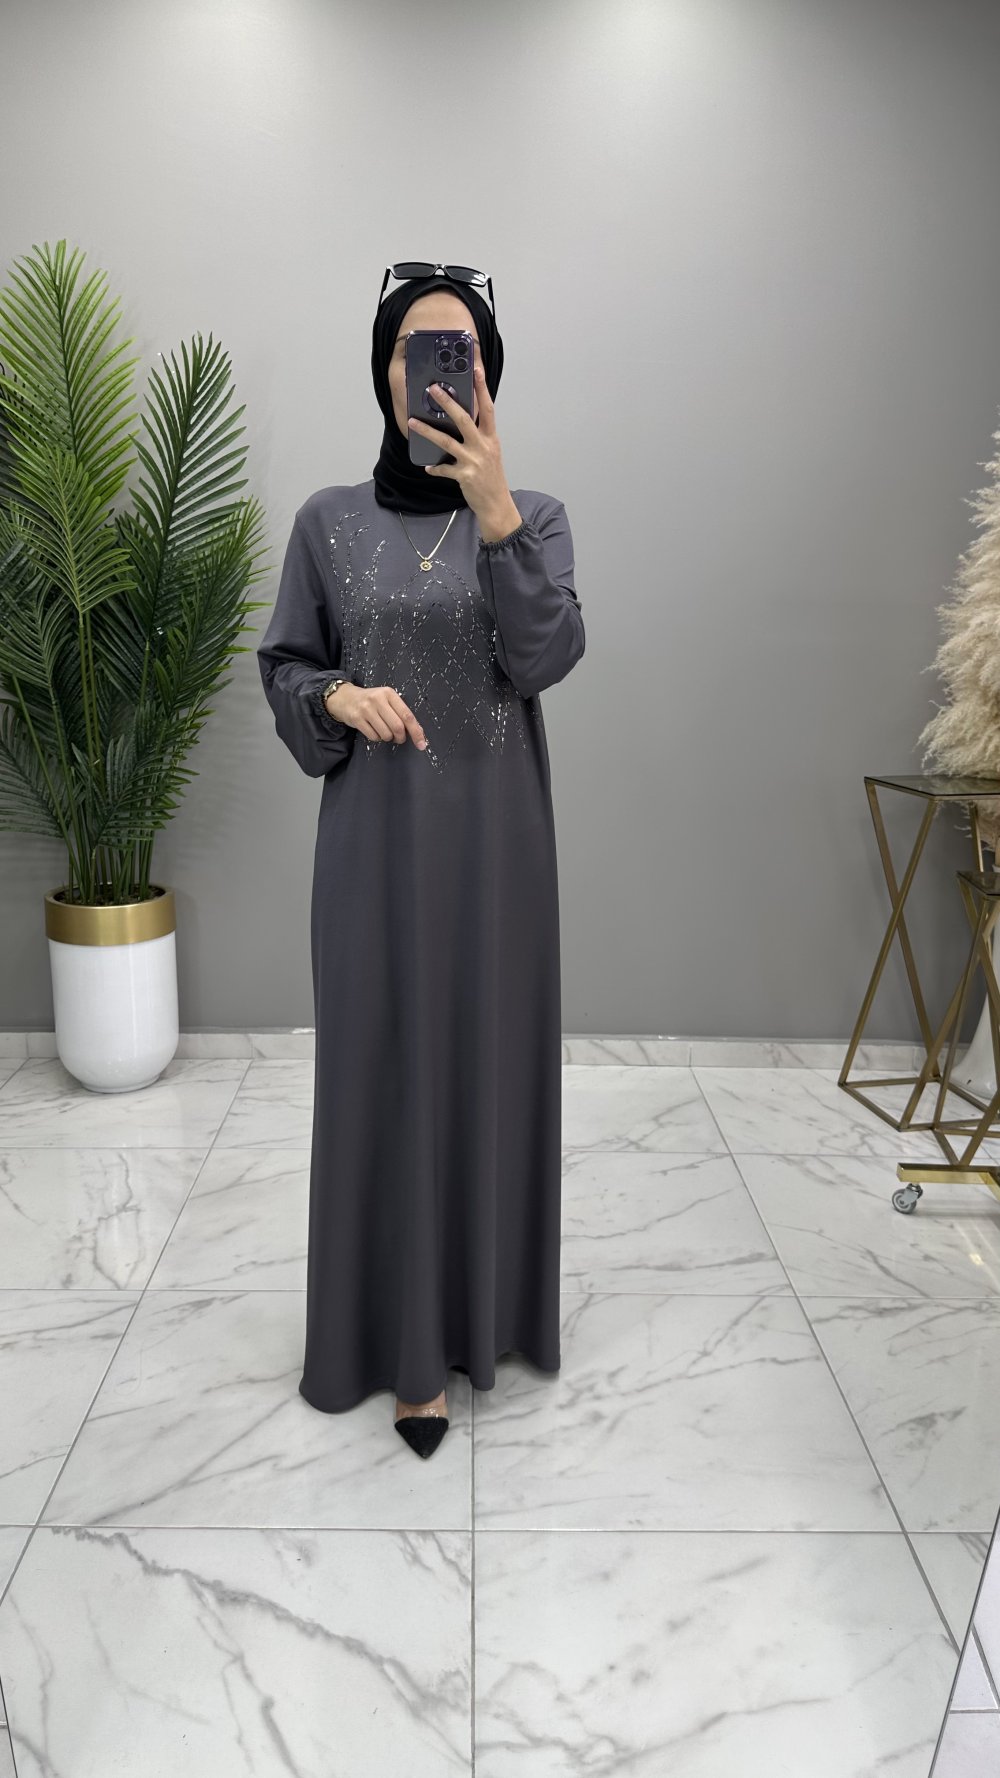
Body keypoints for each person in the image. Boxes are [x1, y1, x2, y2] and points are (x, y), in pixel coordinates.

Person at [256, 264, 585, 1458]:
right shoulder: (327, 520)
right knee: (384, 1071)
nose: (440, 368)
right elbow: (286, 667)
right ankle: (404, 1355)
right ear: (384, 371)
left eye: (462, 350)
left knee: (489, 1067)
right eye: (415, 348)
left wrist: (494, 512)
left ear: (487, 374)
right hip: (374, 854)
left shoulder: (534, 515)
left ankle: (485, 1320)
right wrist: (336, 696)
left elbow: (546, 657)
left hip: (500, 857)